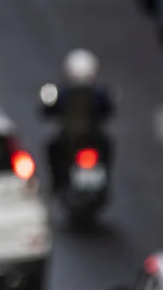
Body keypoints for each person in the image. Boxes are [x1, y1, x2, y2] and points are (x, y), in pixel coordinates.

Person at [42, 49, 114, 193]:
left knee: (52, 149)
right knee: (108, 147)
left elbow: (48, 111)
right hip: (92, 138)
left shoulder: (63, 93)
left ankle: (56, 184)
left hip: (69, 139)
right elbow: (108, 111)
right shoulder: (98, 93)